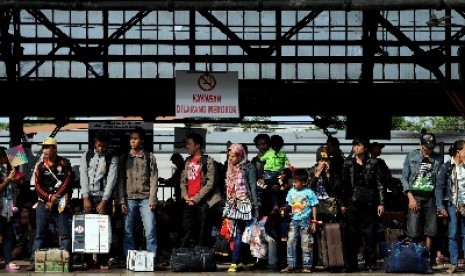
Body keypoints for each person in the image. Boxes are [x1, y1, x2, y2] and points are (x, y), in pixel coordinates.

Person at [26, 137, 74, 271]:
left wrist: (56, 197)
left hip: (60, 202)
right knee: (40, 234)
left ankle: (66, 262)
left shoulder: (64, 163)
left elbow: (67, 181)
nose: (45, 150)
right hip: (44, 202)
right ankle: (34, 262)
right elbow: (37, 185)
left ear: (55, 148)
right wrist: (48, 197)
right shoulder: (40, 166)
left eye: (48, 147)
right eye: (44, 147)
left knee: (64, 234)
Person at [340, 135, 386, 272]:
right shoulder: (348, 163)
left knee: (370, 234)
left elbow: (380, 184)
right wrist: (343, 203)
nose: (355, 148)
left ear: (365, 147)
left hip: (369, 202)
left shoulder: (373, 163)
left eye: (358, 145)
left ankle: (370, 263)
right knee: (350, 234)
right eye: (354, 145)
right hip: (353, 202)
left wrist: (381, 203)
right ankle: (350, 264)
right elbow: (344, 185)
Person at [117, 127, 158, 262]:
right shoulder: (123, 158)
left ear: (142, 141)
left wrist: (153, 199)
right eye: (131, 139)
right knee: (127, 231)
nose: (132, 141)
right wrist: (122, 201)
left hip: (146, 198)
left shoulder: (149, 157)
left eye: (135, 139)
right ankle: (129, 258)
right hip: (129, 198)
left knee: (150, 229)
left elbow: (153, 179)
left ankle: (151, 258)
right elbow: (121, 180)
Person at [79, 130, 118, 270]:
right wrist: (85, 197)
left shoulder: (112, 158)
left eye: (104, 146)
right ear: (95, 143)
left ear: (108, 145)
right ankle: (88, 259)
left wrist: (104, 200)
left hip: (103, 197)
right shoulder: (87, 156)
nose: (101, 148)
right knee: (88, 228)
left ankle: (102, 259)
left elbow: (111, 181)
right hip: (89, 195)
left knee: (103, 228)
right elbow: (83, 176)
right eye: (98, 145)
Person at [401, 130, 443, 257]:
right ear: (421, 145)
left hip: (431, 197)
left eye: (431, 148)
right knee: (413, 229)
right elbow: (404, 177)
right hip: (415, 196)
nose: (429, 150)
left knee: (431, 229)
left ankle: (426, 257)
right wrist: (410, 198)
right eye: (426, 148)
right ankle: (413, 257)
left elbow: (439, 183)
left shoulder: (438, 159)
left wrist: (440, 205)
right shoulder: (411, 156)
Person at [179, 132, 222, 247]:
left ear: (197, 145)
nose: (187, 147)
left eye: (189, 144)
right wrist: (185, 195)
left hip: (204, 202)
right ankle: (184, 253)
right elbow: (183, 181)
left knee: (203, 230)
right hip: (189, 201)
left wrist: (195, 198)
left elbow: (210, 184)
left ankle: (201, 254)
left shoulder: (208, 161)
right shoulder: (187, 161)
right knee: (186, 228)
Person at [223, 143, 259, 272]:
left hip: (246, 204)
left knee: (246, 234)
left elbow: (253, 188)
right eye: (229, 156)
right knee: (238, 233)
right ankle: (239, 261)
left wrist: (255, 207)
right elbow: (228, 189)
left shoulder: (249, 168)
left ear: (240, 155)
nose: (230, 159)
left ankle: (239, 261)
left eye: (233, 156)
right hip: (234, 204)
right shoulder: (230, 168)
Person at [280, 168, 319, 273]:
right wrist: (286, 211)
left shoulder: (309, 192)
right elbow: (288, 204)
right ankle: (290, 265)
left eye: (296, 182)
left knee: (306, 243)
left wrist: (314, 221)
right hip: (293, 221)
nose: (294, 183)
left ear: (303, 182)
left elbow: (314, 206)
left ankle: (307, 265)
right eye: (294, 181)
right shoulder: (291, 191)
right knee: (291, 242)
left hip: (305, 222)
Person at [435, 140, 465, 273]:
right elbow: (439, 188)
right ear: (458, 152)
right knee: (453, 234)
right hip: (452, 204)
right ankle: (454, 264)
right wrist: (440, 207)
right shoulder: (446, 167)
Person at [0, 147, 21, 270]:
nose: (8, 159)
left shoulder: (5, 169)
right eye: (5, 156)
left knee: (8, 235)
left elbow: (12, 189)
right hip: (1, 207)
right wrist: (8, 179)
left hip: (7, 207)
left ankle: (8, 261)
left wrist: (14, 180)